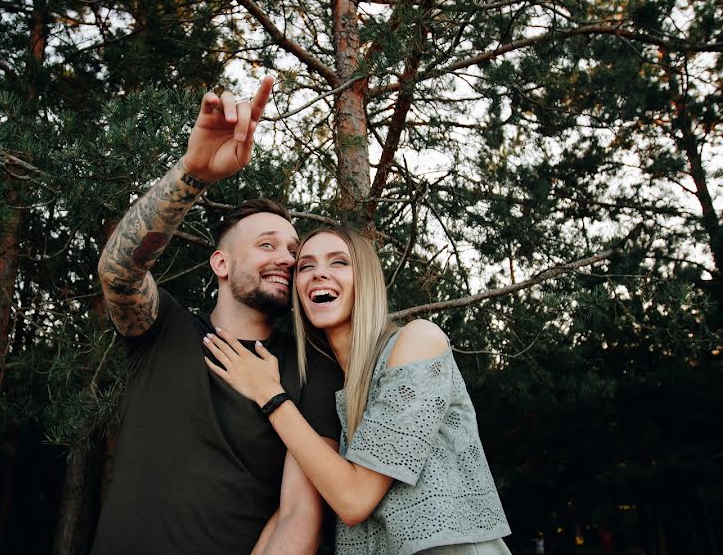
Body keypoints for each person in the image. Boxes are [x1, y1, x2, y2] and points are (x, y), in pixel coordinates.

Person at [92, 77, 344, 555]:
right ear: (221, 264)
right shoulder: (163, 331)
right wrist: (193, 173)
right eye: (266, 245)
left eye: (294, 251)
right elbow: (118, 270)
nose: (288, 259)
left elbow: (298, 515)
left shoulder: (310, 367)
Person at [203, 226, 513, 554]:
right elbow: (291, 510)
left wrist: (269, 394)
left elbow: (354, 499)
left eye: (338, 262)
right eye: (306, 266)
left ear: (365, 280)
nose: (319, 273)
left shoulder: (418, 341)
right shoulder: (323, 393)